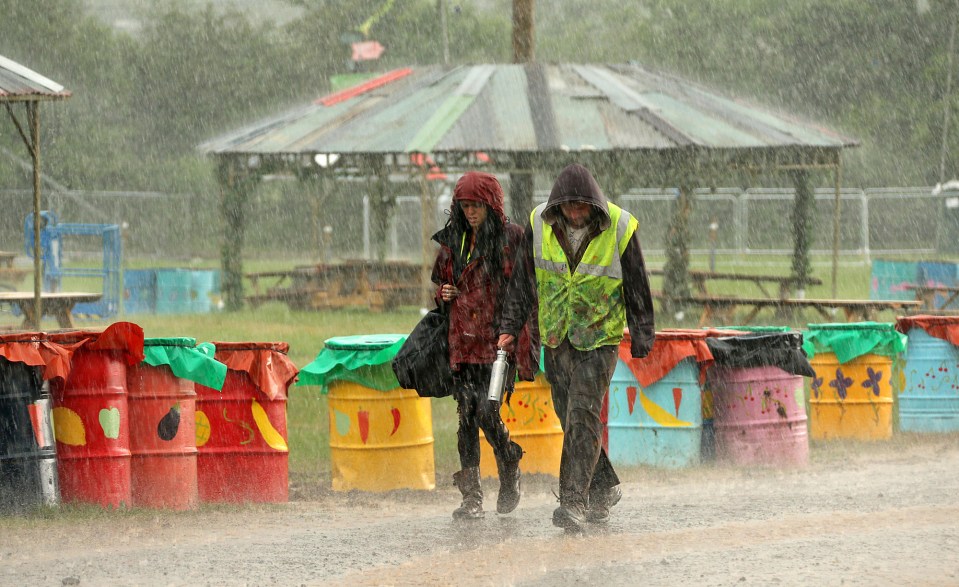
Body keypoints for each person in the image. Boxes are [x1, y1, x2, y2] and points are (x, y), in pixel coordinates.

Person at [497, 163, 655, 531]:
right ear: (558, 206)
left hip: (599, 338)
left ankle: (573, 502)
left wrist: (643, 333)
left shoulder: (619, 226)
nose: (576, 213)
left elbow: (637, 283)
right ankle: (603, 487)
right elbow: (522, 282)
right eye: (569, 207)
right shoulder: (539, 224)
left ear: (595, 205)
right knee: (568, 415)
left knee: (583, 414)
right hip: (557, 337)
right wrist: (509, 326)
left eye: (582, 207)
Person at [432, 170, 539, 520]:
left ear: (491, 205)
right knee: (465, 416)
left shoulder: (512, 239)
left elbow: (523, 291)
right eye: (464, 206)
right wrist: (444, 292)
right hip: (462, 341)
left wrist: (514, 334)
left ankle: (508, 458)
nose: (470, 212)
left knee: (486, 410)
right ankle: (471, 497)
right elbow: (444, 282)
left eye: (476, 205)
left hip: (498, 342)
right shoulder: (455, 240)